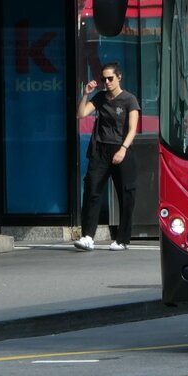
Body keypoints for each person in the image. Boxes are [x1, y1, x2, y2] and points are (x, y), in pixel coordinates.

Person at [74, 62, 140, 251]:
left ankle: (122, 239)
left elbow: (132, 128)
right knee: (92, 190)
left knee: (126, 194)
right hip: (101, 150)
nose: (107, 82)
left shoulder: (129, 100)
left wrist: (123, 149)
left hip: (122, 150)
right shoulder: (101, 97)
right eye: (104, 79)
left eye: (110, 78)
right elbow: (81, 114)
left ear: (119, 77)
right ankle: (87, 236)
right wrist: (86, 93)